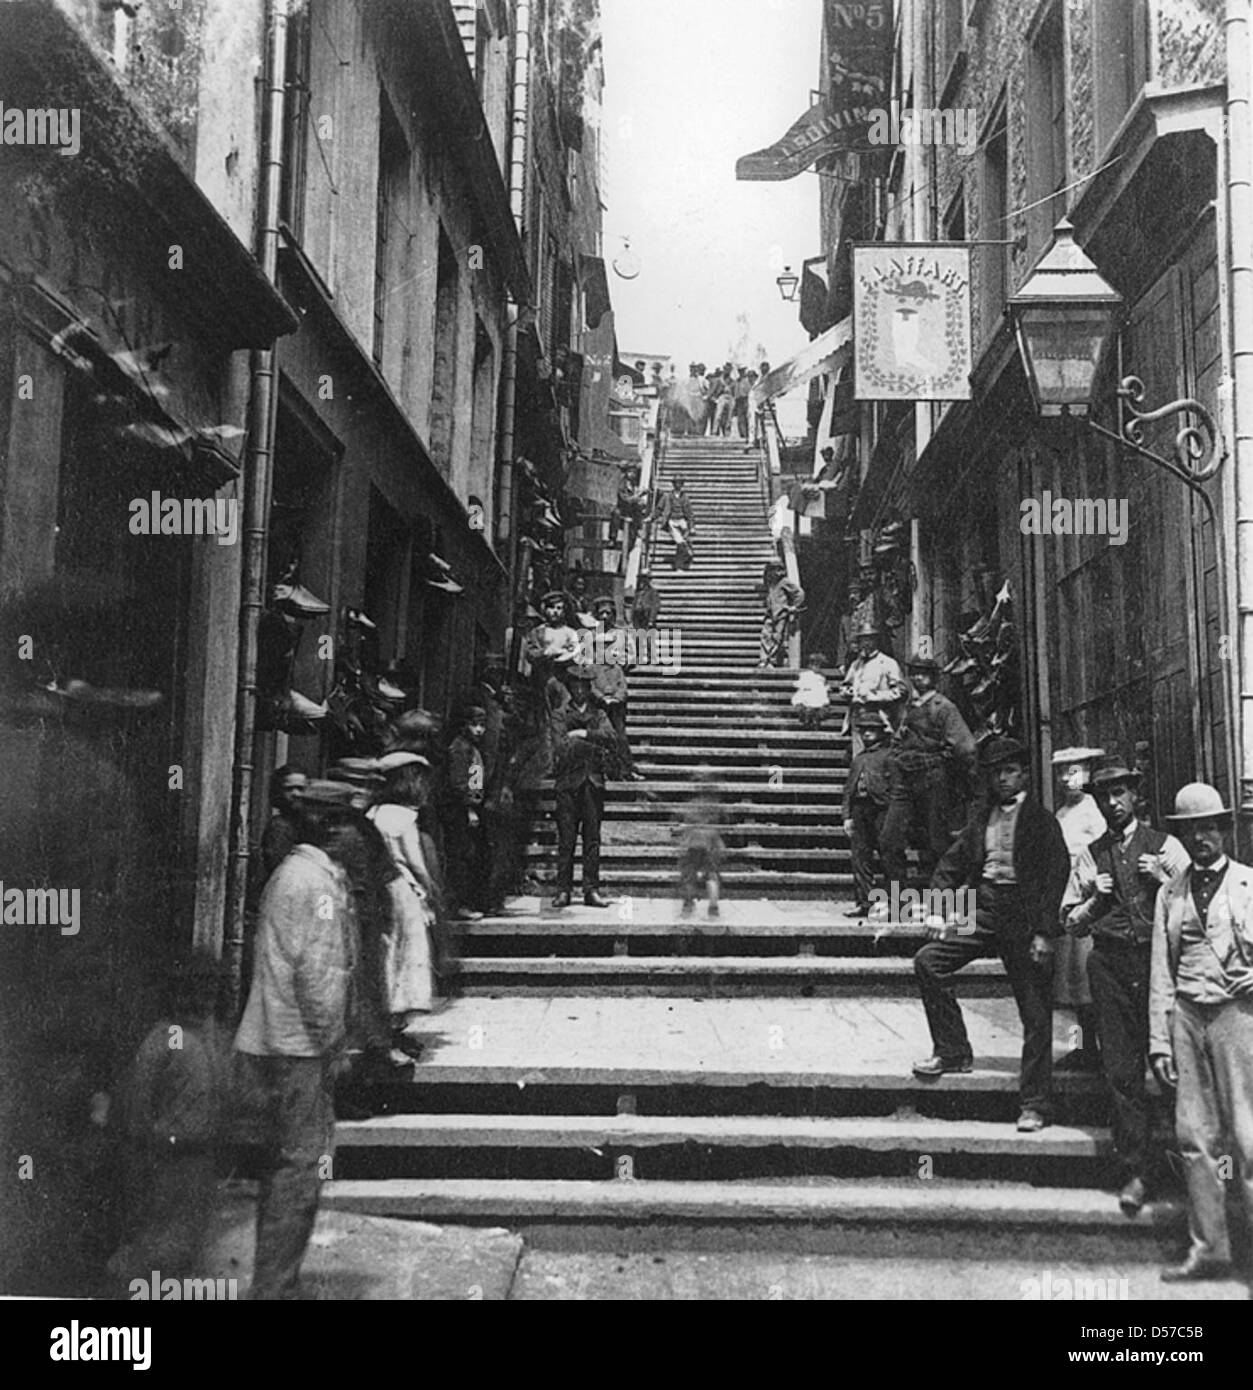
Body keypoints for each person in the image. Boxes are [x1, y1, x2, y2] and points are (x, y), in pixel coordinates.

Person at [233, 778, 360, 1299]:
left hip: (271, 1042)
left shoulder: (292, 875)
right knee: (297, 1175)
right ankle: (275, 1287)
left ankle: (274, 1280)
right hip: (299, 1048)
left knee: (283, 1171)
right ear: (331, 828)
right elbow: (320, 974)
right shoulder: (316, 886)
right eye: (350, 824)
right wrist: (335, 1044)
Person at [912, 738, 1070, 1132]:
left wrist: (1044, 934)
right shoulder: (981, 817)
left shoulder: (1042, 821)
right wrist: (936, 906)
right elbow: (953, 862)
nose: (1003, 778)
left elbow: (1055, 878)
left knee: (1035, 1015)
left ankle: (1034, 1103)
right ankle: (952, 1051)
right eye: (997, 772)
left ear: (1025, 775)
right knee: (929, 961)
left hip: (1025, 918)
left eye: (1010, 771)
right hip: (983, 911)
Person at [1062, 757, 1188, 1216]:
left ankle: (1188, 1165)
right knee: (1120, 1072)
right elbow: (1069, 923)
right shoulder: (1090, 856)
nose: (1113, 802)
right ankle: (1136, 1170)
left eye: (1120, 793)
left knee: (1174, 1065)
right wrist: (1096, 900)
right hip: (1111, 966)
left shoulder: (1166, 846)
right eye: (1104, 795)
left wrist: (1166, 881)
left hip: (1161, 966)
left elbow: (1198, 905)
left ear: (1135, 795)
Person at [1149, 782, 1253, 1282]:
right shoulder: (1170, 892)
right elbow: (1160, 971)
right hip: (1187, 1017)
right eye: (1192, 831)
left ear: (1223, 830)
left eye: (1209, 828)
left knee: (1248, 1138)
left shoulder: (1250, 884)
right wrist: (1158, 1037)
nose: (1202, 839)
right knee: (1194, 1137)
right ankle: (1210, 1248)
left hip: (1237, 1018)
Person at [106, 948, 228, 1294]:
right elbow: (137, 1107)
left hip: (202, 1160)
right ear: (176, 991)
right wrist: (147, 1152)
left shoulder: (216, 1037)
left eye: (209, 988)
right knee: (156, 1249)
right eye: (192, 987)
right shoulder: (162, 1040)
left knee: (189, 1249)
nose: (201, 996)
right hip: (165, 1160)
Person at [880, 651, 976, 892]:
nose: (919, 678)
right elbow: (899, 739)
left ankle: (942, 900)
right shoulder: (908, 707)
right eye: (915, 673)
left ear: (934, 678)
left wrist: (947, 768)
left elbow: (966, 748)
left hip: (933, 777)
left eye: (924, 674)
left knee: (937, 843)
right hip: (904, 779)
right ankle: (898, 901)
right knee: (889, 839)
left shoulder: (943, 707)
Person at [366, 752, 442, 1048]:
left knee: (388, 953)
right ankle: (395, 1028)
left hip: (382, 887)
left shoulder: (374, 812)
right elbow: (416, 862)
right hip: (402, 889)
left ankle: (387, 1026)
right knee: (408, 956)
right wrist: (431, 887)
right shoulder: (405, 816)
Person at [1050, 747, 1110, 1072]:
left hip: (1087, 899)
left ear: (1086, 775)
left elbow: (1101, 856)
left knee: (1086, 982)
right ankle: (1078, 1047)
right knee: (1070, 986)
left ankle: (1096, 1048)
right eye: (1061, 773)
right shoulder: (1061, 813)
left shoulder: (1093, 811)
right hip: (1065, 899)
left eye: (1072, 772)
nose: (1066, 779)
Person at [549, 664, 616, 909]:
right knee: (566, 840)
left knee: (592, 839)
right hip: (568, 783)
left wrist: (583, 734)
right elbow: (560, 747)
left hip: (592, 783)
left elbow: (611, 737)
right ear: (569, 688)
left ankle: (591, 890)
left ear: (589, 689)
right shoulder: (559, 714)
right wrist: (591, 744)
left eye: (583, 687)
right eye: (575, 686)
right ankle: (563, 890)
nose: (579, 691)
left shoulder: (598, 714)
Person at [842, 710, 893, 918]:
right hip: (860, 809)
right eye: (864, 730)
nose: (867, 734)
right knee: (860, 857)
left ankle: (897, 904)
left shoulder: (889, 755)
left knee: (889, 857)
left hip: (882, 809)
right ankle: (865, 902)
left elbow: (896, 785)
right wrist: (846, 816)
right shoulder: (859, 758)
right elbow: (848, 790)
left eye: (872, 730)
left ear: (881, 733)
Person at [588, 595, 642, 780]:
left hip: (616, 680)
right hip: (597, 683)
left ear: (614, 615)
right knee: (599, 729)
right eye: (601, 613)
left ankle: (623, 768)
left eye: (608, 613)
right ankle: (602, 769)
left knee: (618, 730)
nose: (604, 616)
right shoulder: (590, 635)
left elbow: (633, 657)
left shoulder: (622, 634)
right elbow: (584, 659)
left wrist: (622, 661)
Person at [445, 704, 490, 921]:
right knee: (461, 856)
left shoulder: (472, 748)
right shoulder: (460, 748)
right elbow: (459, 783)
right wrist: (470, 809)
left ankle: (467, 901)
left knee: (470, 856)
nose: (479, 730)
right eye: (475, 725)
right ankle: (459, 904)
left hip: (473, 806)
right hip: (461, 811)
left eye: (482, 725)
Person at [838, 620, 907, 742]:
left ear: (876, 641)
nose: (866, 644)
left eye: (869, 639)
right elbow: (845, 685)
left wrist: (874, 696)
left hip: (879, 716)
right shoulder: (856, 664)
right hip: (858, 717)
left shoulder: (887, 663)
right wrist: (849, 692)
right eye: (862, 640)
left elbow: (900, 691)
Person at [676, 768, 726, 923]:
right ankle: (713, 908)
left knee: (689, 875)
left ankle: (688, 905)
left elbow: (682, 819)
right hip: (712, 840)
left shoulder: (690, 805)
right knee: (711, 875)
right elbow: (725, 818)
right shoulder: (716, 804)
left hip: (693, 840)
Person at [258, 766, 308, 887]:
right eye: (289, 789)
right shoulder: (279, 827)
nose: (295, 794)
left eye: (301, 789)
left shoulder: (308, 823)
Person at [758, 561, 804, 668]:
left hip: (781, 614)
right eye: (772, 570)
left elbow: (799, 593)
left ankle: (771, 660)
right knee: (765, 635)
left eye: (777, 570)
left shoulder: (784, 582)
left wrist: (794, 606)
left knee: (777, 637)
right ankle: (763, 659)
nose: (775, 573)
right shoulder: (770, 582)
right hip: (770, 613)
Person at [655, 476, 695, 570]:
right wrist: (651, 517)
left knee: (682, 544)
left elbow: (690, 513)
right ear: (673, 484)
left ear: (682, 485)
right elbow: (659, 509)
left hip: (682, 521)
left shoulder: (685, 497)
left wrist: (692, 526)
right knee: (680, 542)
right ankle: (684, 558)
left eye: (680, 483)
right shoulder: (667, 496)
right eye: (676, 483)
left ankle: (681, 561)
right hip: (672, 521)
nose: (678, 485)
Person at [791, 652, 830, 727]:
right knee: (804, 703)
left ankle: (815, 719)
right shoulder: (805, 675)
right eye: (814, 665)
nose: (817, 667)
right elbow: (799, 684)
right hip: (807, 693)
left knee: (819, 705)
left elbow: (825, 685)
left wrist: (826, 688)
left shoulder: (821, 676)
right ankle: (807, 718)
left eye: (819, 665)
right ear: (810, 665)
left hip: (818, 695)